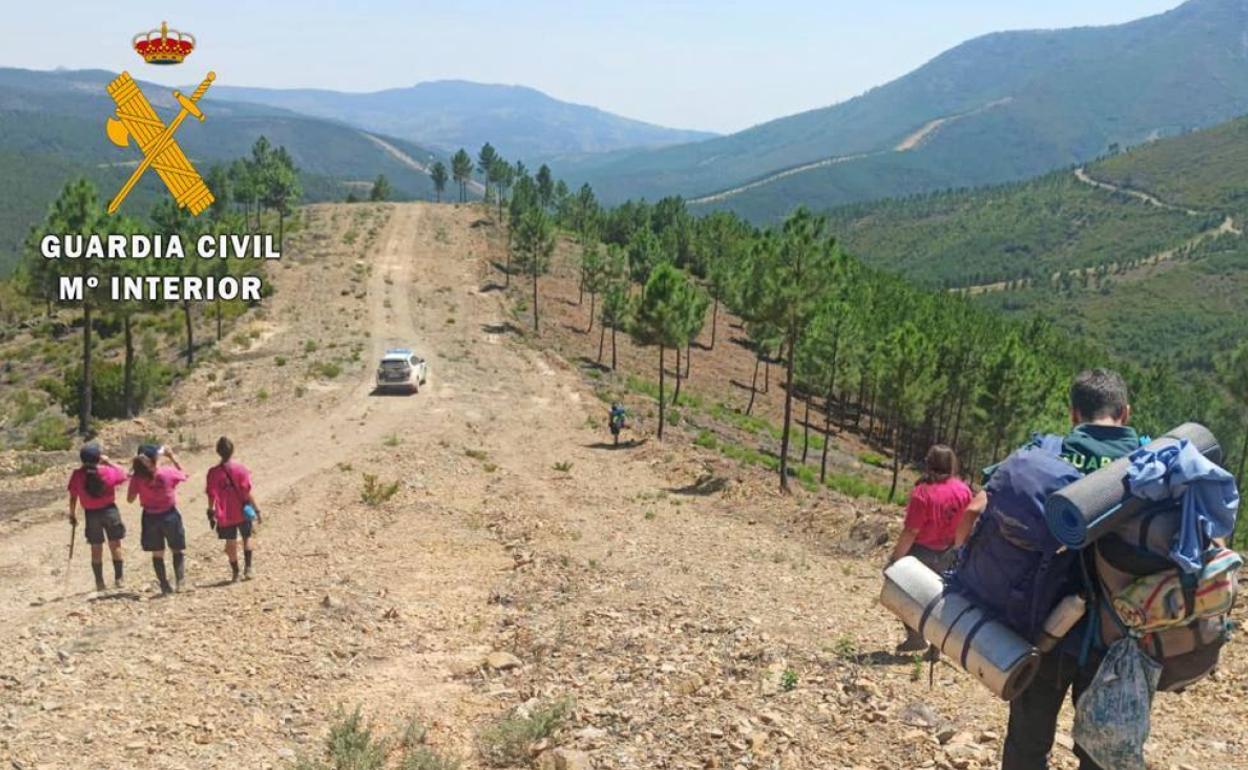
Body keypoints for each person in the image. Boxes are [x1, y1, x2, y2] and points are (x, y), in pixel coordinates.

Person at [958, 369, 1142, 770]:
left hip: (1048, 628)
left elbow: (975, 509)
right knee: (1100, 752)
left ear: (1074, 413)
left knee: (1028, 742)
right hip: (1120, 640)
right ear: (1124, 413)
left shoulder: (1046, 450)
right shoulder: (1152, 462)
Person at [887, 444, 971, 654]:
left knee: (905, 593)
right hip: (951, 551)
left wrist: (895, 560)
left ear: (928, 463)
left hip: (921, 552)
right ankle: (936, 644)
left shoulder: (922, 493)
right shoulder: (963, 490)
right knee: (942, 600)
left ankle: (915, 637)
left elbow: (911, 531)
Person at [127, 444, 189, 595]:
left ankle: (164, 585)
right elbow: (184, 475)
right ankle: (180, 581)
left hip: (150, 517)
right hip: (169, 515)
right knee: (176, 548)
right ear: (155, 458)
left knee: (157, 552)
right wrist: (172, 457)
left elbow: (130, 499)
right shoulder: (167, 472)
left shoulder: (137, 477)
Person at [66, 443, 128, 591]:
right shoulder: (107, 471)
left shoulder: (77, 475)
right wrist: (108, 462)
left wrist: (73, 514)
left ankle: (99, 583)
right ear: (98, 457)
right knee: (115, 544)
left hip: (91, 514)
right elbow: (124, 474)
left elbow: (73, 497)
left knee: (96, 547)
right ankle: (119, 579)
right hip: (109, 511)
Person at [205, 436, 260, 582]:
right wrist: (257, 509)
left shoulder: (212, 473)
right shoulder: (241, 469)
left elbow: (211, 495)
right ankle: (248, 569)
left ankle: (235, 573)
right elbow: (247, 491)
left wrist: (211, 512)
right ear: (232, 450)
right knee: (247, 537)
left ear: (218, 452)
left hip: (224, 513)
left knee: (230, 543)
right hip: (242, 510)